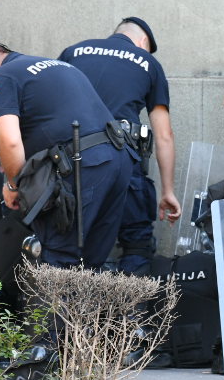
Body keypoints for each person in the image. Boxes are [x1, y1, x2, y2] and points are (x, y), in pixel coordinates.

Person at [0, 42, 133, 268]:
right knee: (91, 263)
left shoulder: (0, 77)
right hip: (119, 158)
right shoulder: (58, 66)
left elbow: (9, 140)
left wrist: (14, 186)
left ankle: (52, 304)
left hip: (82, 165)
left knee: (58, 260)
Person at [59, 17, 180, 272]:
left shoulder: (74, 52)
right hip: (121, 161)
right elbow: (164, 134)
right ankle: (129, 311)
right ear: (142, 42)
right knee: (136, 243)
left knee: (68, 244)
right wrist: (168, 191)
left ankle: (72, 310)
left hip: (72, 163)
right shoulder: (148, 62)